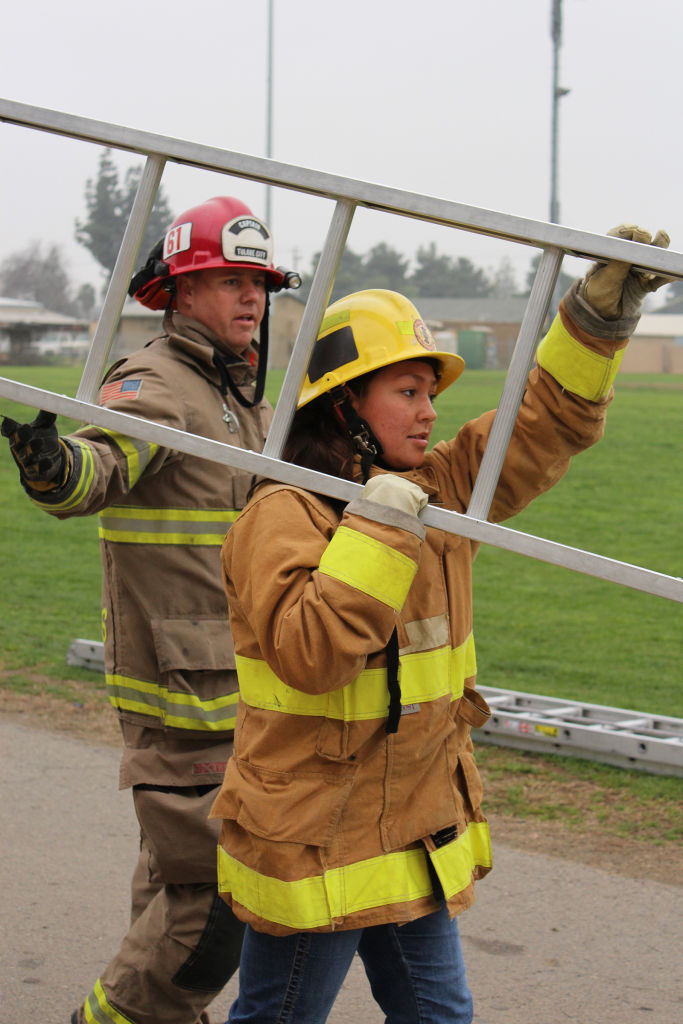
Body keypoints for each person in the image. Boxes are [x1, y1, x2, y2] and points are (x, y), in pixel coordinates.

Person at [209, 223, 670, 1024]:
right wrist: (381, 527)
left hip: (410, 830)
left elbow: (542, 423)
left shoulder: (438, 487)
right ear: (344, 402)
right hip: (316, 844)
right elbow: (310, 653)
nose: (429, 415)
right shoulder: (281, 511)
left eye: (432, 394)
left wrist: (595, 322)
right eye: (407, 393)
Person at [1, 195, 300, 1024]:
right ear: (178, 292)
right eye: (232, 281)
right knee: (207, 923)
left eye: (261, 284)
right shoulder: (158, 382)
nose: (252, 299)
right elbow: (101, 463)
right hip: (181, 696)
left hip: (233, 689)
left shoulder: (239, 395)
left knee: (174, 898)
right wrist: (56, 468)